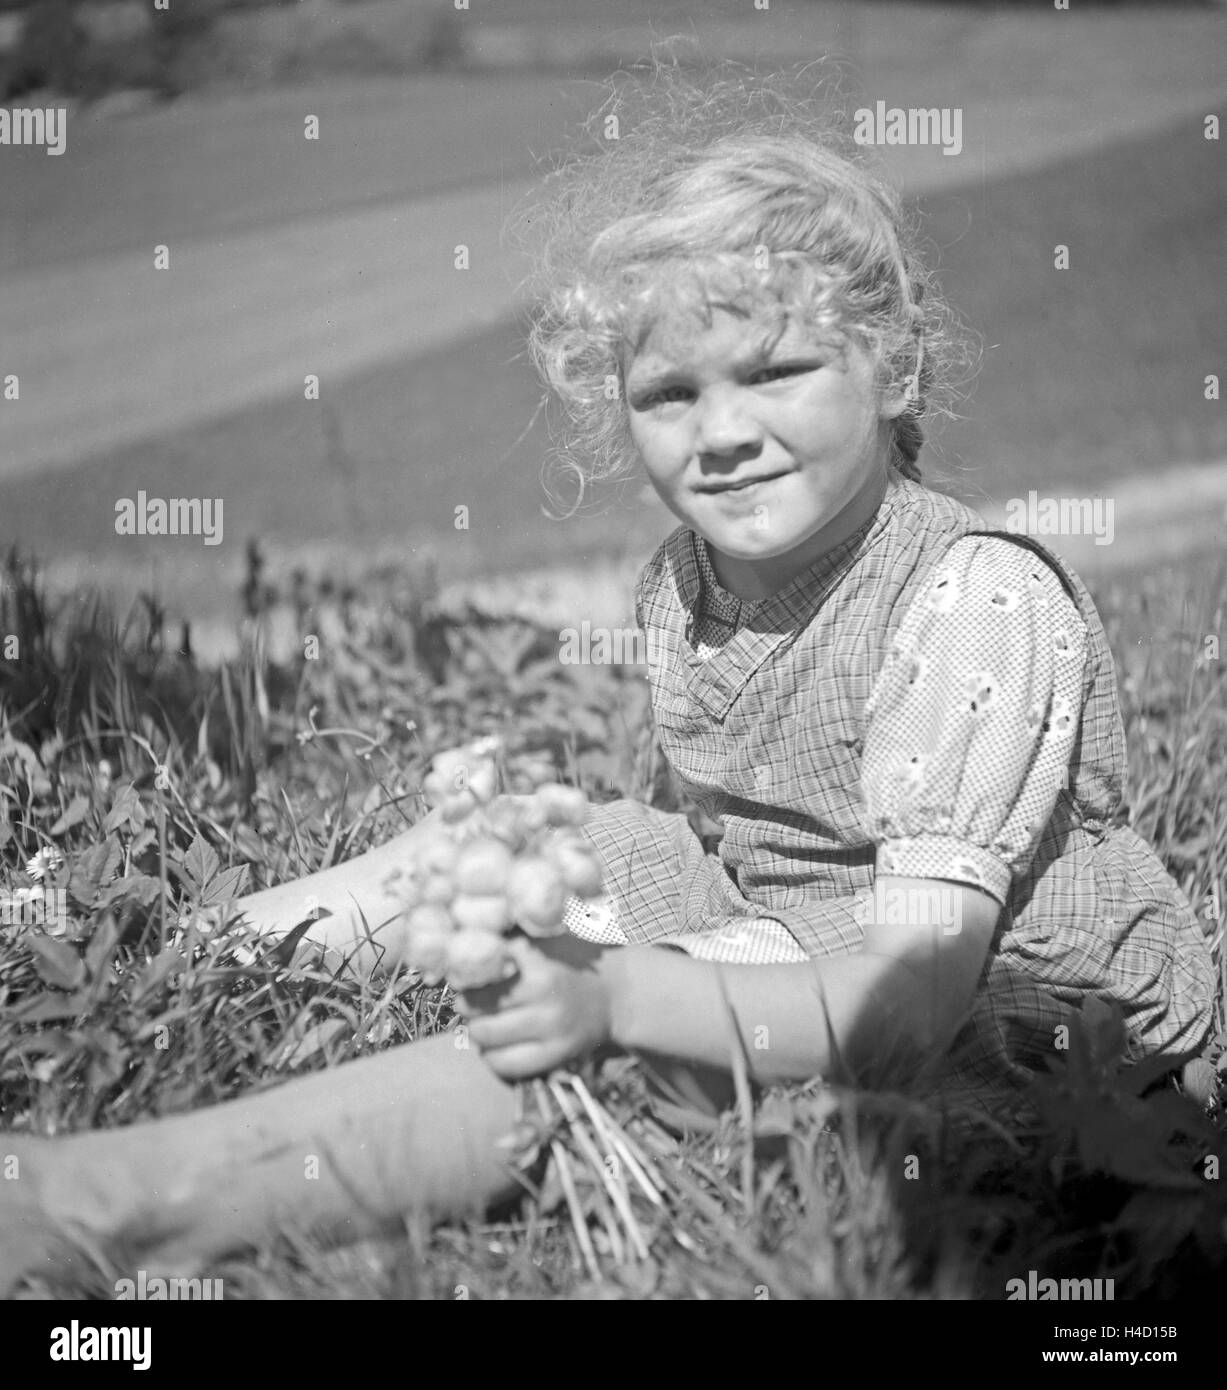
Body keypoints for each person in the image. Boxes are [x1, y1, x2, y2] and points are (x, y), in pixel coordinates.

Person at [2, 70, 1214, 1294]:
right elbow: (734, 832)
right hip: (801, 913)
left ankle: (115, 1206)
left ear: (895, 371)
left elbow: (904, 1008)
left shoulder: (971, 602)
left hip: (1019, 1020)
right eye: (670, 393)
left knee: (607, 1054)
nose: (720, 430)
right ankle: (180, 950)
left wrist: (630, 993)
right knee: (539, 842)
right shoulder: (687, 580)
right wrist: (614, 906)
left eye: (777, 370)